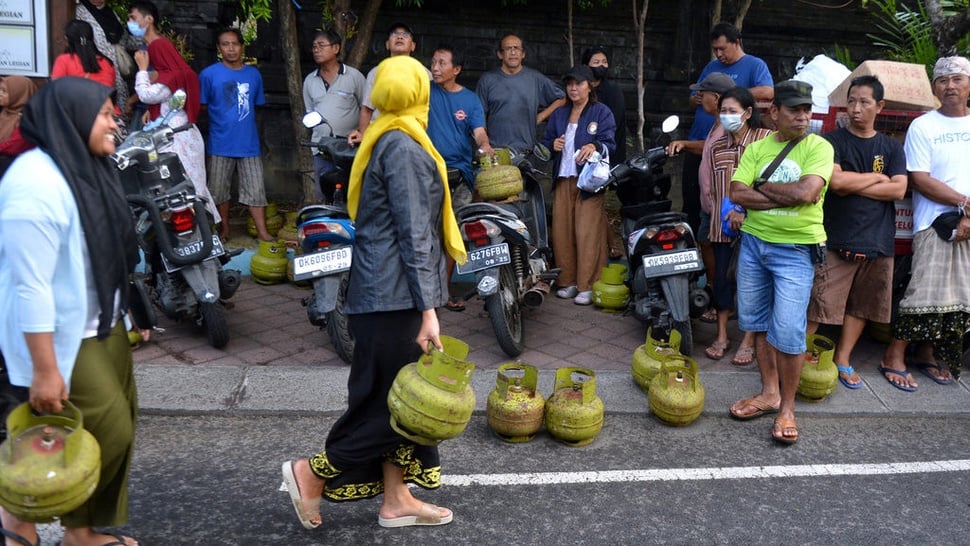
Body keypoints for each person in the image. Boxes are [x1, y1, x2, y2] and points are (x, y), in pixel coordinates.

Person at [280, 55, 464, 531]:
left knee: (391, 399)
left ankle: (396, 497)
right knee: (403, 406)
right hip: (395, 298)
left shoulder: (387, 134)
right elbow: (414, 234)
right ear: (417, 94)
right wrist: (430, 310)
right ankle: (312, 473)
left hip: (384, 294)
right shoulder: (402, 145)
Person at [0, 77, 140, 546]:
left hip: (102, 321)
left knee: (117, 424)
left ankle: (80, 532)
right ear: (73, 119)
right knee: (105, 428)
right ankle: (22, 518)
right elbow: (30, 285)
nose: (113, 120)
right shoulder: (33, 183)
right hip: (59, 335)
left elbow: (113, 252)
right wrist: (44, 369)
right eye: (103, 113)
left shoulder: (86, 167)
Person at [728, 80, 833, 445]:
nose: (803, 116)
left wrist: (763, 190)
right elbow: (736, 192)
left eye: (807, 109)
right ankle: (769, 392)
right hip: (755, 246)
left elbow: (807, 193)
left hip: (796, 251)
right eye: (794, 110)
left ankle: (788, 407)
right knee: (756, 323)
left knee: (788, 332)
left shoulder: (819, 146)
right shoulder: (757, 148)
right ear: (774, 112)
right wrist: (783, 199)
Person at [805, 76, 907, 389]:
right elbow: (836, 184)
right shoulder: (832, 141)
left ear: (880, 106)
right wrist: (878, 180)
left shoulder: (891, 147)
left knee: (863, 305)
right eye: (851, 101)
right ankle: (798, 355)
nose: (856, 108)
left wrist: (857, 183)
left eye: (864, 101)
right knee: (819, 303)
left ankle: (843, 358)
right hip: (837, 236)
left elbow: (899, 189)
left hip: (877, 239)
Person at [881, 56, 970, 386]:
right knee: (924, 291)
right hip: (934, 222)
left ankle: (926, 353)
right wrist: (962, 203)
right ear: (934, 87)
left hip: (969, 220)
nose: (950, 86)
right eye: (943, 80)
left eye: (957, 79)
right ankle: (894, 354)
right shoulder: (924, 125)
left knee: (957, 294)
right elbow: (918, 178)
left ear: (969, 85)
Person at [683, 22, 773, 234]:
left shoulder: (754, 64)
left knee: (721, 196)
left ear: (737, 43)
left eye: (723, 48)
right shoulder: (711, 67)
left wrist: (731, 95)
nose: (719, 54)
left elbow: (768, 91)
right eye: (715, 49)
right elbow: (690, 100)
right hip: (700, 137)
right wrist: (696, 98)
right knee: (694, 196)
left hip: (729, 143)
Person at [703, 86, 770, 365]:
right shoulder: (717, 145)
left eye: (732, 111)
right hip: (722, 227)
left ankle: (748, 339)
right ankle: (721, 335)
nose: (727, 116)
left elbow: (771, 184)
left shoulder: (764, 140)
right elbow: (713, 188)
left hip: (756, 226)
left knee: (752, 283)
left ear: (748, 113)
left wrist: (746, 211)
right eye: (723, 111)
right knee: (722, 280)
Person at [542, 65, 616, 306]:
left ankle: (588, 285)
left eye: (579, 83)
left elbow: (609, 143)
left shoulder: (601, 112)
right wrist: (552, 144)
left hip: (588, 183)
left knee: (587, 233)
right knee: (562, 232)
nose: (574, 88)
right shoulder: (560, 113)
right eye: (570, 84)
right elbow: (545, 144)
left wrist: (594, 146)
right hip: (563, 178)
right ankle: (568, 281)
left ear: (590, 85)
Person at [427, 44, 494, 312]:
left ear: (456, 69)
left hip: (460, 176)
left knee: (451, 233)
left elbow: (479, 132)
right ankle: (425, 292)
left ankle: (443, 290)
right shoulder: (426, 91)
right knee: (427, 233)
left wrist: (485, 145)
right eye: (433, 61)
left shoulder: (470, 100)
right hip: (428, 174)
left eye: (442, 63)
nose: (435, 67)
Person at [132, 24, 220, 223]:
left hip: (176, 139)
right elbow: (166, 103)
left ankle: (192, 227)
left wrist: (142, 70)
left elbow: (147, 95)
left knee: (178, 183)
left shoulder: (169, 78)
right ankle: (204, 226)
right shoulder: (183, 73)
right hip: (187, 134)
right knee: (195, 184)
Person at [668, 72, 736, 324]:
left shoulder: (730, 129)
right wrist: (685, 144)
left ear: (716, 98)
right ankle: (714, 294)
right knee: (706, 245)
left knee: (723, 260)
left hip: (723, 207)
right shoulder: (716, 124)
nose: (699, 98)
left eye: (703, 94)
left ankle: (723, 306)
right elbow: (706, 147)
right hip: (710, 205)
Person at [199, 28, 273, 241]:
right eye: (225, 44)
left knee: (256, 189)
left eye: (235, 44)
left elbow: (256, 105)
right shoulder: (208, 74)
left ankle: (262, 232)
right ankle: (224, 230)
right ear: (218, 48)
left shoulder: (253, 74)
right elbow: (202, 106)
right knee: (218, 191)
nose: (231, 48)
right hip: (220, 142)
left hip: (249, 143)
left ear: (242, 47)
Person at [302, 28, 366, 202]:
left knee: (353, 197)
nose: (316, 49)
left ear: (336, 48)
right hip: (321, 149)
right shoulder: (309, 80)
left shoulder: (354, 77)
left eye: (321, 45)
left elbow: (366, 109)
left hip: (350, 149)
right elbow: (310, 112)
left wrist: (363, 133)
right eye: (314, 46)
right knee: (325, 196)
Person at [477, 35, 566, 154]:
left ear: (523, 53)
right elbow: (478, 116)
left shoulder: (535, 78)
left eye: (516, 48)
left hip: (526, 152)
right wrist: (485, 143)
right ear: (500, 54)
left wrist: (540, 116)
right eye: (508, 48)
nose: (513, 52)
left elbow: (562, 98)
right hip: (495, 152)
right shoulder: (487, 80)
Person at [347, 22, 424, 145]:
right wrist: (363, 135)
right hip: (380, 136)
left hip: (411, 137)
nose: (399, 37)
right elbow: (367, 109)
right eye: (394, 34)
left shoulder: (424, 73)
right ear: (387, 45)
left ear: (413, 46)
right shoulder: (376, 72)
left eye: (405, 34)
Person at [583, 45, 626, 259]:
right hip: (583, 155)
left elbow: (611, 126)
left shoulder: (612, 91)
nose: (601, 66)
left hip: (606, 154)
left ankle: (612, 244)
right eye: (596, 62)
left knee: (595, 200)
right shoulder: (582, 89)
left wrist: (594, 145)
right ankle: (611, 244)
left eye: (604, 62)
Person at [76, 0, 137, 118]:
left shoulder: (110, 12)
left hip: (117, 69)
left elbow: (124, 39)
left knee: (118, 113)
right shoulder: (79, 12)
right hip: (95, 67)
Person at [51, 20, 116, 89]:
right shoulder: (108, 63)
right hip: (102, 99)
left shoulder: (63, 61)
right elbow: (111, 90)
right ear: (93, 38)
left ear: (67, 40)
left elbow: (56, 91)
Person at [0, 77, 38, 177]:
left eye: (4, 91)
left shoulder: (28, 119)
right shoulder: (5, 113)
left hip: (15, 170)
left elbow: (14, 146)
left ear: (17, 94)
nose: (0, 94)